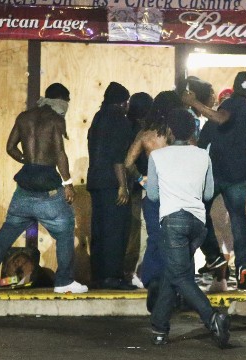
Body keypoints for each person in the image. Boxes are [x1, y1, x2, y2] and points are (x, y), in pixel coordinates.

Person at [0, 83, 86, 294]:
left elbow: (10, 148)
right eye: (66, 102)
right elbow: (60, 154)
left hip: (24, 186)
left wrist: (29, 162)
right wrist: (68, 184)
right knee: (65, 229)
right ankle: (64, 281)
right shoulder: (56, 119)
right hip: (48, 185)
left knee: (9, 229)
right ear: (61, 101)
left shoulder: (24, 117)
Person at [147, 108, 230, 348]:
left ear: (170, 131)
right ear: (193, 130)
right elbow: (208, 193)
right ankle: (159, 328)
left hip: (173, 221)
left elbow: (153, 195)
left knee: (179, 275)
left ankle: (212, 317)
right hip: (197, 223)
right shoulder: (203, 156)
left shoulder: (158, 157)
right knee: (174, 273)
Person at [183, 71, 246, 290]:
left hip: (214, 172)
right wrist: (243, 153)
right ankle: (244, 274)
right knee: (239, 223)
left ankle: (211, 257)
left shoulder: (227, 106)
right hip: (238, 175)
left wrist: (194, 103)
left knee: (199, 214)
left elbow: (218, 123)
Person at [124, 90, 183, 307]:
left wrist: (141, 180)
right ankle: (175, 284)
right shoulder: (179, 133)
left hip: (153, 192)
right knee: (176, 239)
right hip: (176, 192)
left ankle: (152, 279)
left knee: (154, 237)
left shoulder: (145, 134)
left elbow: (128, 163)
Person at [86, 82, 137, 290]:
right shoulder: (120, 121)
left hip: (95, 181)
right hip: (112, 182)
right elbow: (117, 157)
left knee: (99, 230)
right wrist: (122, 185)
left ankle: (98, 276)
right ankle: (112, 277)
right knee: (116, 231)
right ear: (123, 103)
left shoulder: (98, 119)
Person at [126, 92, 154, 289]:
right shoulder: (144, 131)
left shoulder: (127, 126)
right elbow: (131, 161)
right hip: (142, 187)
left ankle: (134, 271)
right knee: (143, 232)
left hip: (134, 187)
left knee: (137, 232)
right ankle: (138, 272)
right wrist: (141, 179)